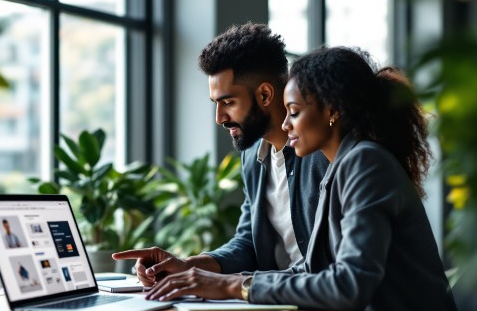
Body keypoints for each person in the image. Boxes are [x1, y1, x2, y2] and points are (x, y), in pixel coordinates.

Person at [140, 46, 461, 311]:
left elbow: (348, 283)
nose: (284, 124)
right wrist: (208, 275)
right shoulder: (342, 164)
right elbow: (306, 266)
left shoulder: (362, 162)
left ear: (332, 111)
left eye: (293, 112)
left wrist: (231, 286)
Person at [113, 23, 329, 289]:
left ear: (264, 94)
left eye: (228, 102)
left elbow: (326, 265)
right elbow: (248, 241)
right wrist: (187, 265)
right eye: (216, 104)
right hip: (270, 300)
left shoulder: (322, 154)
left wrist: (232, 285)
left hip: (310, 302)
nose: (219, 118)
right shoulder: (253, 156)